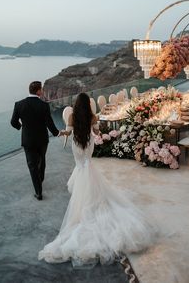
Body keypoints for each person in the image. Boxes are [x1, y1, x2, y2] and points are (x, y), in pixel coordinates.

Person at [38, 92, 154, 265]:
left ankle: (82, 193)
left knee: (80, 166)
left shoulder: (71, 116)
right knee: (87, 165)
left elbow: (68, 133)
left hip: (77, 145)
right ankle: (89, 192)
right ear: (88, 104)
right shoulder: (92, 116)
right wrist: (97, 127)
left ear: (77, 104)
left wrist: (61, 133)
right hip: (88, 144)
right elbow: (97, 132)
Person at [11, 81, 64, 201]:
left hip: (28, 140)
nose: (43, 91)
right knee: (41, 159)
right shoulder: (44, 105)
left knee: (32, 165)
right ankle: (41, 179)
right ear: (38, 91)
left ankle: (38, 192)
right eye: (42, 89)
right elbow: (49, 123)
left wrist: (21, 127)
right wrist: (57, 133)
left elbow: (13, 122)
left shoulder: (19, 104)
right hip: (42, 140)